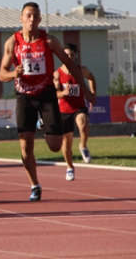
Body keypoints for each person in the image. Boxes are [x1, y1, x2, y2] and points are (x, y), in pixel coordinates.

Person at [0, 2, 94, 201]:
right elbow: (1, 74)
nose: (32, 20)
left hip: (47, 95)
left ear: (40, 19)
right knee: (25, 147)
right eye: (28, 16)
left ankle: (44, 122)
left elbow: (70, 64)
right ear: (21, 19)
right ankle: (35, 185)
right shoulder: (12, 43)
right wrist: (13, 73)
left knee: (54, 145)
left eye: (35, 16)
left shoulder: (49, 41)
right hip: (24, 97)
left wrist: (85, 89)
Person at [53, 43, 96, 181]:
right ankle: (70, 167)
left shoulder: (81, 70)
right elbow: (54, 94)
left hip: (79, 107)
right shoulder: (57, 74)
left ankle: (83, 145)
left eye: (72, 55)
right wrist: (63, 93)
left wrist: (92, 94)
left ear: (76, 56)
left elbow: (92, 78)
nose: (69, 57)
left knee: (83, 123)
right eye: (66, 55)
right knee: (66, 143)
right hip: (64, 110)